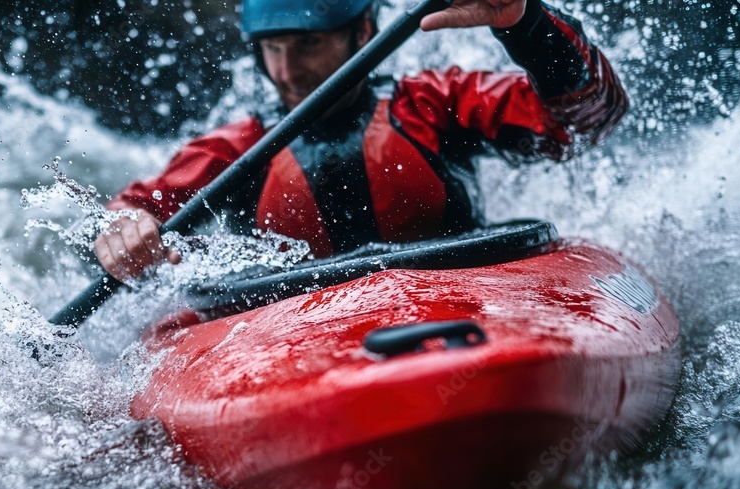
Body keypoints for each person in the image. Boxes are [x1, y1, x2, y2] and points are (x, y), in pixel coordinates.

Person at [93, 0, 627, 281]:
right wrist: (122, 230)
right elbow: (130, 211)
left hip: (455, 300)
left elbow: (587, 120)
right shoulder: (238, 148)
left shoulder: (432, 104)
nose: (287, 71)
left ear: (363, 33)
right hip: (289, 337)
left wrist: (526, 24)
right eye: (273, 48)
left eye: (308, 44)